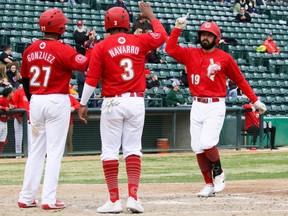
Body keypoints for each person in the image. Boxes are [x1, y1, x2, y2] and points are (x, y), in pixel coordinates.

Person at [78, 2, 167, 213]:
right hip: (136, 100)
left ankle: (113, 200)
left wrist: (82, 103)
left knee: (110, 151)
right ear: (127, 23)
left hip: (113, 102)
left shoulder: (101, 46)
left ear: (107, 24)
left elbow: (91, 79)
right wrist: (151, 17)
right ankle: (134, 198)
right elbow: (162, 37)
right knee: (133, 149)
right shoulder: (139, 40)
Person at [165, 17, 266, 197]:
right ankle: (208, 184)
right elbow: (170, 49)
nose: (205, 37)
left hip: (215, 105)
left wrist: (255, 100)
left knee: (207, 143)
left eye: (209, 35)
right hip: (197, 104)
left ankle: (218, 171)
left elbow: (239, 80)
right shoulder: (191, 53)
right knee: (197, 146)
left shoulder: (224, 58)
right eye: (203, 34)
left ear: (216, 38)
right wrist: (177, 28)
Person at [18, 8, 90, 210]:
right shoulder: (62, 48)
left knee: (35, 152)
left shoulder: (30, 49)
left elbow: (24, 79)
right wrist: (85, 46)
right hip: (56, 99)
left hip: (36, 100)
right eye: (64, 24)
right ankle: (48, 199)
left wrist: (33, 99)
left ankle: (26, 197)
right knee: (55, 151)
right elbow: (84, 65)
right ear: (59, 27)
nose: (65, 26)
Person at [12, 85, 30, 158]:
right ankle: (18, 155)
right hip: (19, 119)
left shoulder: (32, 92)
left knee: (30, 139)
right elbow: (14, 104)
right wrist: (17, 117)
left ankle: (29, 155)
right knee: (18, 138)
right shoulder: (18, 92)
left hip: (29, 119)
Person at [0, 87, 14, 155]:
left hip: (5, 122)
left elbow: (13, 105)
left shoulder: (9, 100)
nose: (13, 93)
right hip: (0, 121)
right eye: (12, 92)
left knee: (2, 140)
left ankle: (1, 155)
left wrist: (12, 106)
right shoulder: (2, 99)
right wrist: (3, 108)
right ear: (9, 94)